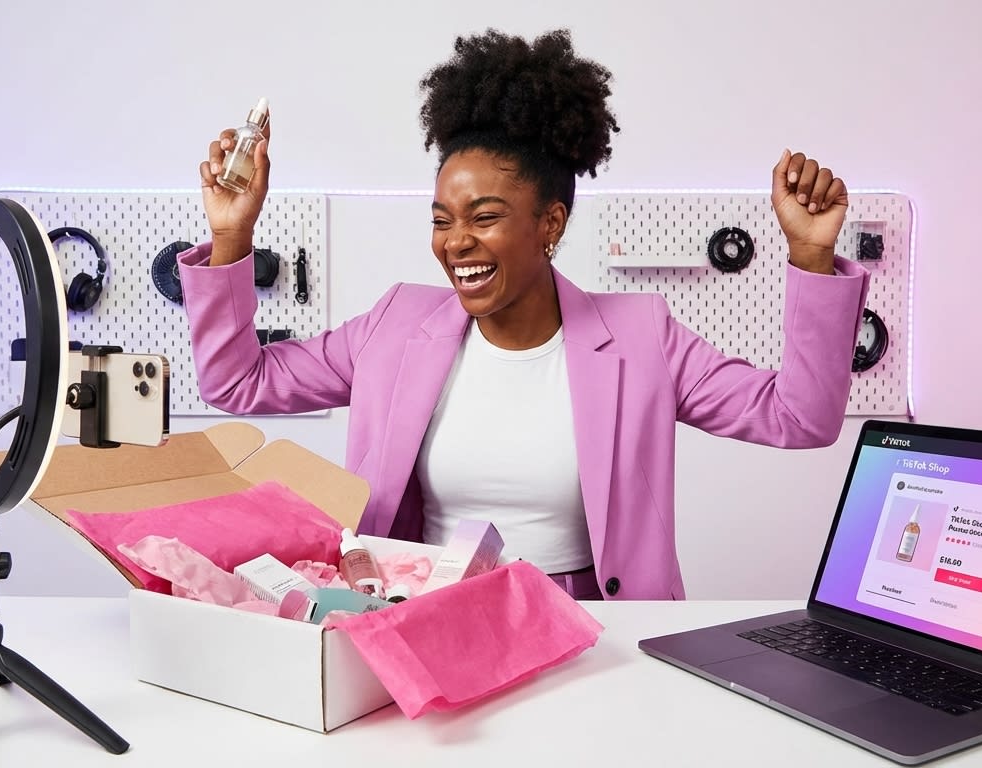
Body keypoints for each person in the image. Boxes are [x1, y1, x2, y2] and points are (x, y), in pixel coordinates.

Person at [179, 29, 869, 601]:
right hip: (426, 614)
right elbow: (238, 382)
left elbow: (800, 419)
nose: (456, 243)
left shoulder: (641, 336)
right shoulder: (394, 326)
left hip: (594, 628)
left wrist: (811, 256)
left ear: (550, 222)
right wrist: (235, 236)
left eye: (485, 217)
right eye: (443, 220)